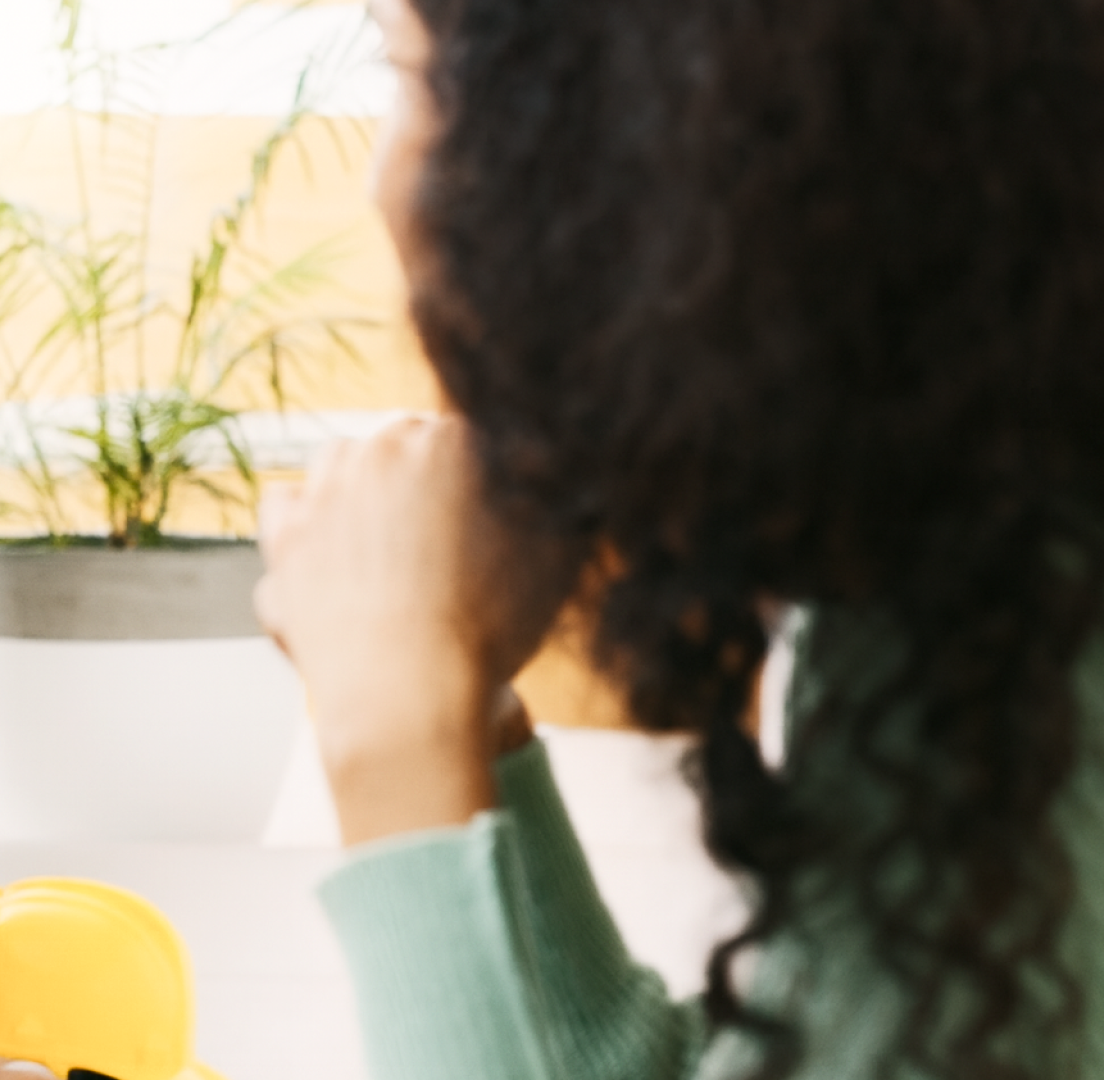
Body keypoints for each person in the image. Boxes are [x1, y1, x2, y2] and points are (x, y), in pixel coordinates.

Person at [257, 0, 1104, 1076]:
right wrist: (467, 715)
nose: (383, 185)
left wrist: (393, 741)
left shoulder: (1036, 679)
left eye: (412, 75)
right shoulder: (945, 607)